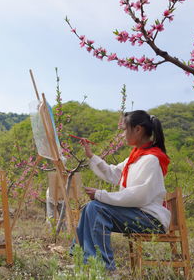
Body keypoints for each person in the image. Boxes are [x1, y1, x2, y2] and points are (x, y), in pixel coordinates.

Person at [71, 110, 171, 271]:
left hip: (150, 220)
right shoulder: (137, 157)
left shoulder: (151, 159)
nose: (123, 134)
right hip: (137, 213)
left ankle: (103, 268)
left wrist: (100, 194)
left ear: (138, 129)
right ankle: (85, 260)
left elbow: (138, 196)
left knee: (96, 208)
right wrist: (91, 155)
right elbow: (114, 173)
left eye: (125, 129)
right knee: (90, 208)